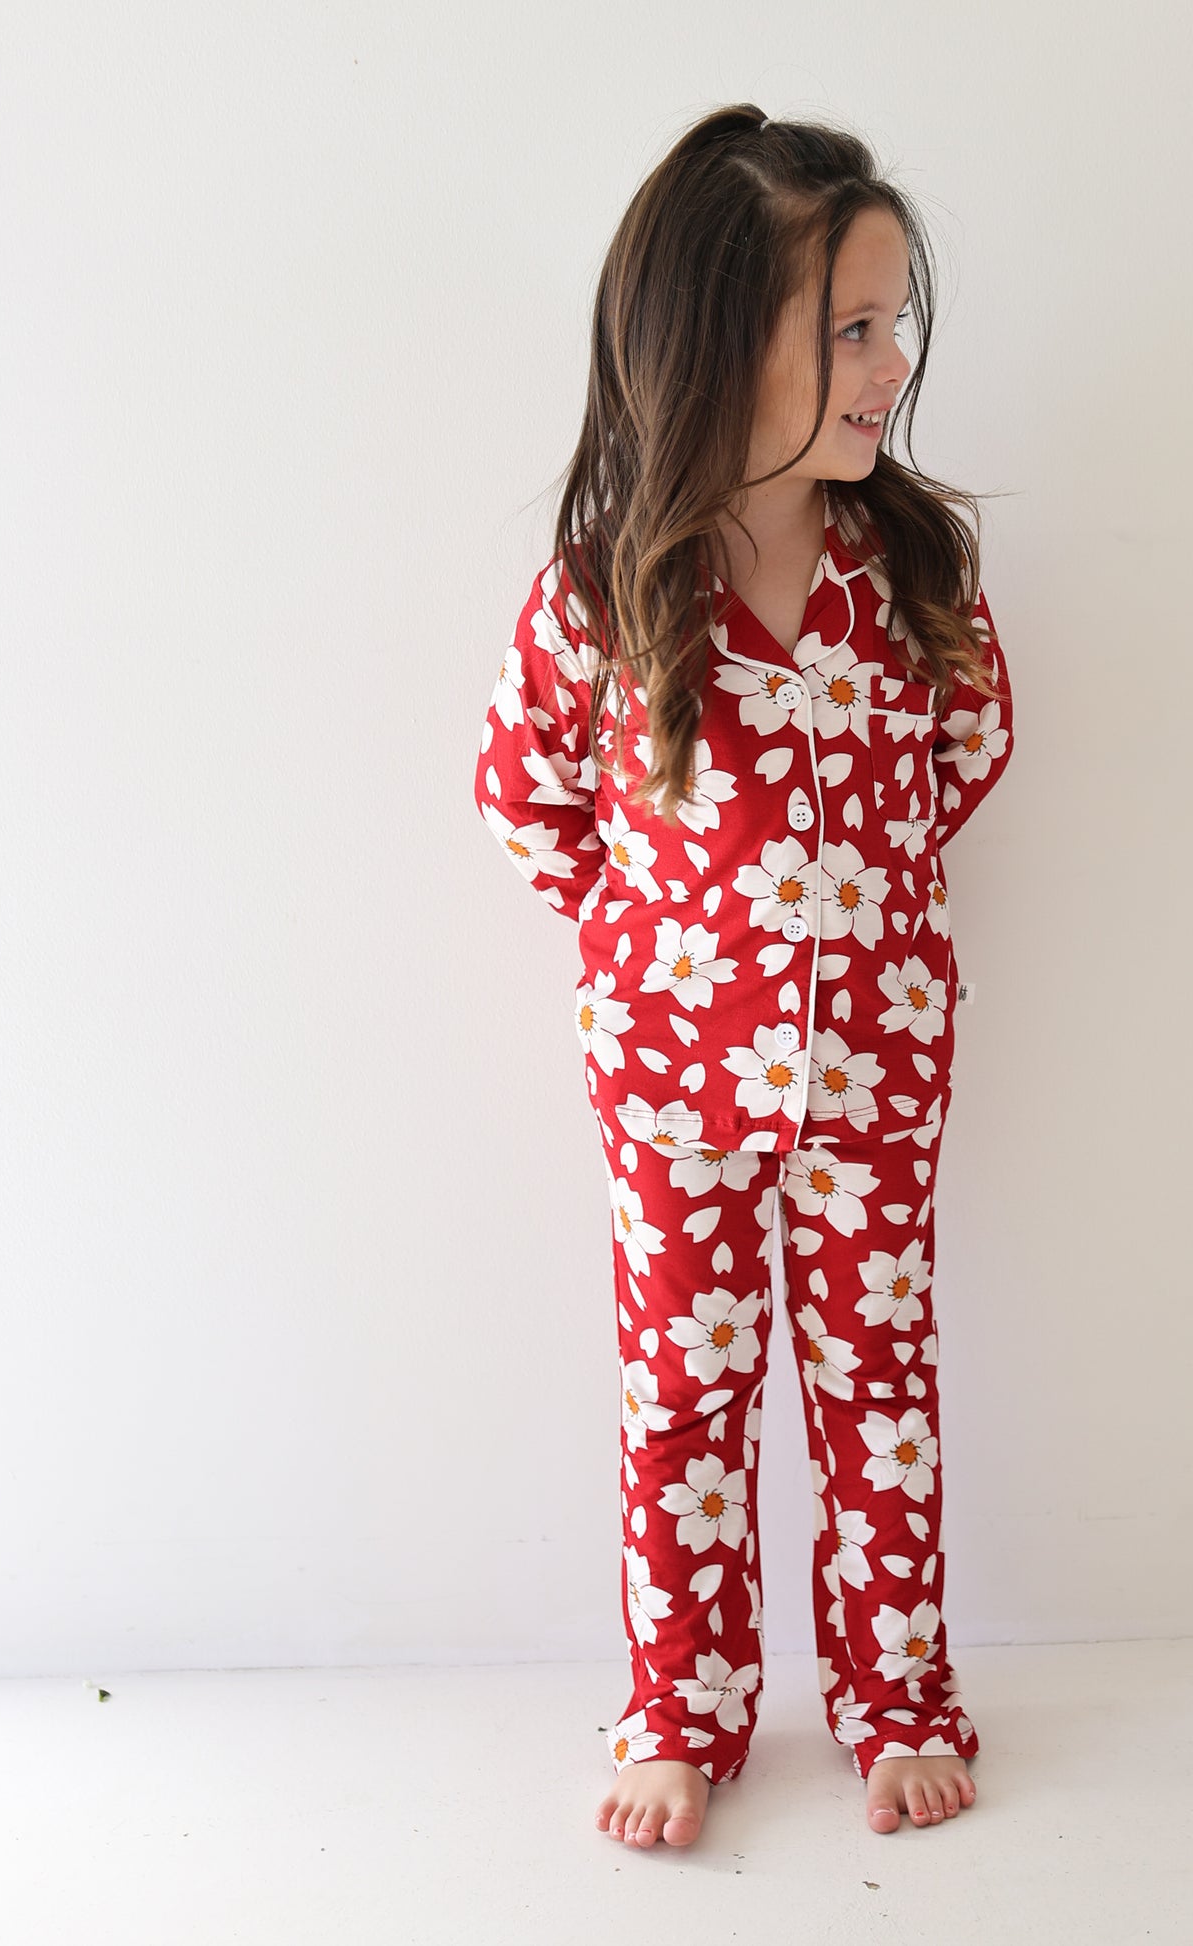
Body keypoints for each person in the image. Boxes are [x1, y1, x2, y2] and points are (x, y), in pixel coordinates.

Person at [472, 104, 1016, 1850]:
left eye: (895, 319)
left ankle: (895, 1691)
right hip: (671, 1077)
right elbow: (527, 798)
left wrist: (858, 925)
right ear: (718, 346)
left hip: (874, 1062)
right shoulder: (606, 592)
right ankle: (681, 1705)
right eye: (851, 327)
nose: (892, 361)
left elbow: (968, 751)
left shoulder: (911, 572)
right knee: (682, 1397)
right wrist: (657, 956)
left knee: (878, 1375)